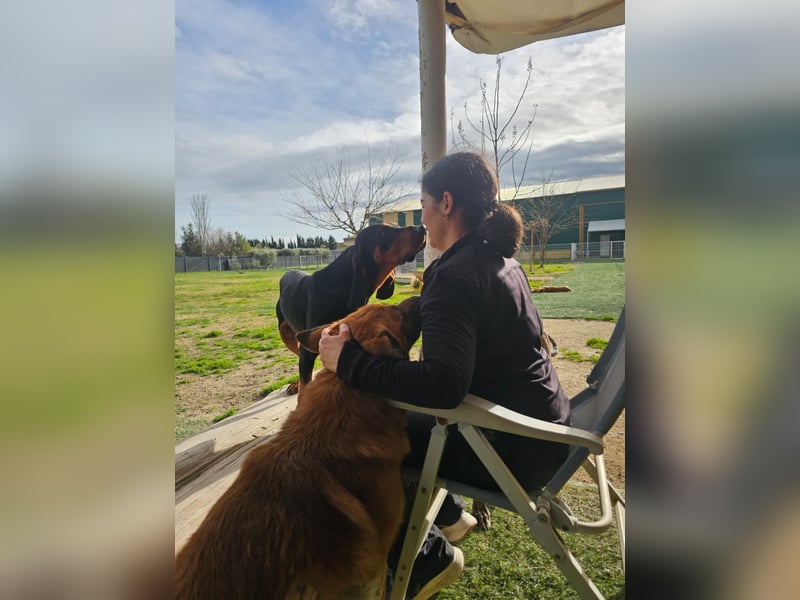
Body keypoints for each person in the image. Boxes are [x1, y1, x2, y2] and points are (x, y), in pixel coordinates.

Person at [318, 151, 570, 599]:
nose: (423, 219)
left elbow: (442, 386)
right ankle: (451, 517)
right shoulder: (500, 261)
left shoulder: (454, 275)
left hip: (510, 450)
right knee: (409, 427)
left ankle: (427, 558)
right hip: (545, 432)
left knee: (357, 444)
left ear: (446, 203)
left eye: (424, 205)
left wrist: (348, 363)